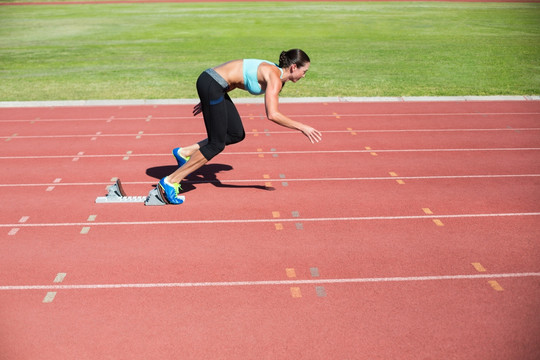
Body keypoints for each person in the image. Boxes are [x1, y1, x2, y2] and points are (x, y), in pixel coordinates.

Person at [158, 49, 322, 204]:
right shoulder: (274, 77)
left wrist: (208, 96)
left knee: (236, 133)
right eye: (304, 71)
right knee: (216, 145)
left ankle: (184, 152)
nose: (304, 76)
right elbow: (273, 114)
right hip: (212, 84)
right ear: (294, 67)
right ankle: (170, 181)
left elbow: (236, 80)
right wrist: (302, 127)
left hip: (214, 85)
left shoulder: (275, 75)